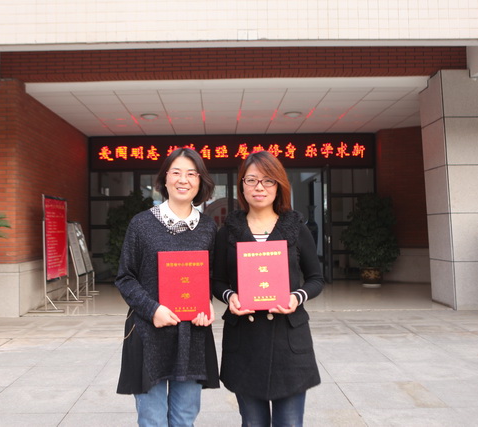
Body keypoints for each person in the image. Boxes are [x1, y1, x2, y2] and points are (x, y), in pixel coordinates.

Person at [212, 150, 324, 426]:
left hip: (289, 340)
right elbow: (217, 281)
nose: (259, 187)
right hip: (245, 341)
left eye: (267, 180)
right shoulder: (228, 231)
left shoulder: (296, 227)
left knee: (290, 422)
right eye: (251, 180)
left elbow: (315, 278)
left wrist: (297, 297)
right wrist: (230, 296)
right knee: (252, 422)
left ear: (279, 185)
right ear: (242, 186)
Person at [115, 147, 219, 427]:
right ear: (164, 179)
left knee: (185, 418)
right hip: (149, 333)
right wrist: (153, 310)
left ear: (200, 181)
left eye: (191, 174)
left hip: (192, 335)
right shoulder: (141, 224)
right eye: (176, 173)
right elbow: (125, 277)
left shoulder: (208, 228)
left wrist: (207, 304)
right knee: (152, 419)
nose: (183, 180)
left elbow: (209, 276)